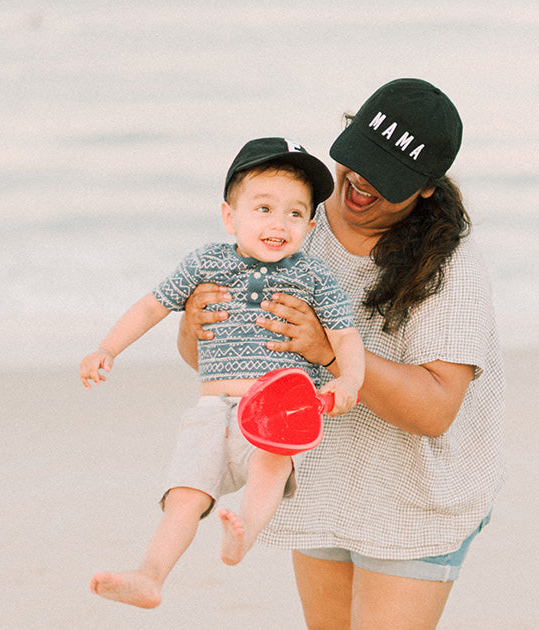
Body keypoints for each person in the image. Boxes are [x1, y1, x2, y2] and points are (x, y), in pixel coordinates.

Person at [178, 79, 505, 629]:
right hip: (324, 478)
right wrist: (196, 323)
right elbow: (215, 356)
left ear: (426, 188)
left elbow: (435, 410)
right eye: (359, 159)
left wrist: (328, 350)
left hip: (417, 496)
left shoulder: (450, 261)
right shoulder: (296, 222)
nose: (362, 183)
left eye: (390, 175)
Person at [79, 137, 366, 609]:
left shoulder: (313, 275)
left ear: (311, 225)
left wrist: (349, 379)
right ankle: (150, 575)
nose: (279, 223)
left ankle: (244, 534)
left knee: (272, 466)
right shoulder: (205, 262)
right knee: (184, 494)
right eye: (264, 208)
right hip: (212, 408)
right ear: (231, 217)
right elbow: (152, 305)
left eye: (295, 214)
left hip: (275, 407)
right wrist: (107, 347)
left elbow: (345, 336)